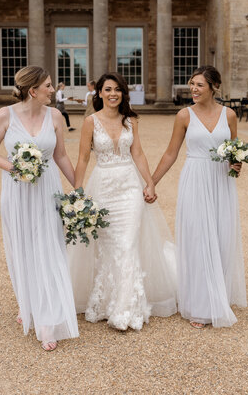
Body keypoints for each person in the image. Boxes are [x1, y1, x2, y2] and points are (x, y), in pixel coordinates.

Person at [69, 72, 177, 331]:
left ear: (123, 93)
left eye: (117, 89)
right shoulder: (90, 122)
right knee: (108, 248)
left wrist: (149, 182)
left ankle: (126, 309)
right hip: (103, 187)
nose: (113, 94)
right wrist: (77, 193)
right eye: (108, 89)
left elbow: (137, 152)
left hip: (129, 187)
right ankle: (108, 302)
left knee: (127, 244)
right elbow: (83, 159)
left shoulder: (131, 121)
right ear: (100, 93)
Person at [0, 66, 79, 351]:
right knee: (23, 246)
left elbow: (61, 155)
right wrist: (15, 167)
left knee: (48, 247)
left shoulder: (56, 116)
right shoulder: (5, 115)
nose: (53, 90)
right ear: (32, 90)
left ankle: (47, 320)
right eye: (48, 86)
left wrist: (80, 189)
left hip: (48, 189)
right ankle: (27, 302)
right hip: (17, 191)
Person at [152, 66, 247, 329]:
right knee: (197, 237)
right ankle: (200, 305)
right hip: (195, 180)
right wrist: (151, 182)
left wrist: (236, 164)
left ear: (214, 87)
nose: (193, 89)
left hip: (221, 183)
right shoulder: (184, 115)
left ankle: (219, 295)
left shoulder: (229, 115)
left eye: (199, 85)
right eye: (191, 84)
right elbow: (171, 153)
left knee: (221, 236)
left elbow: (234, 151)